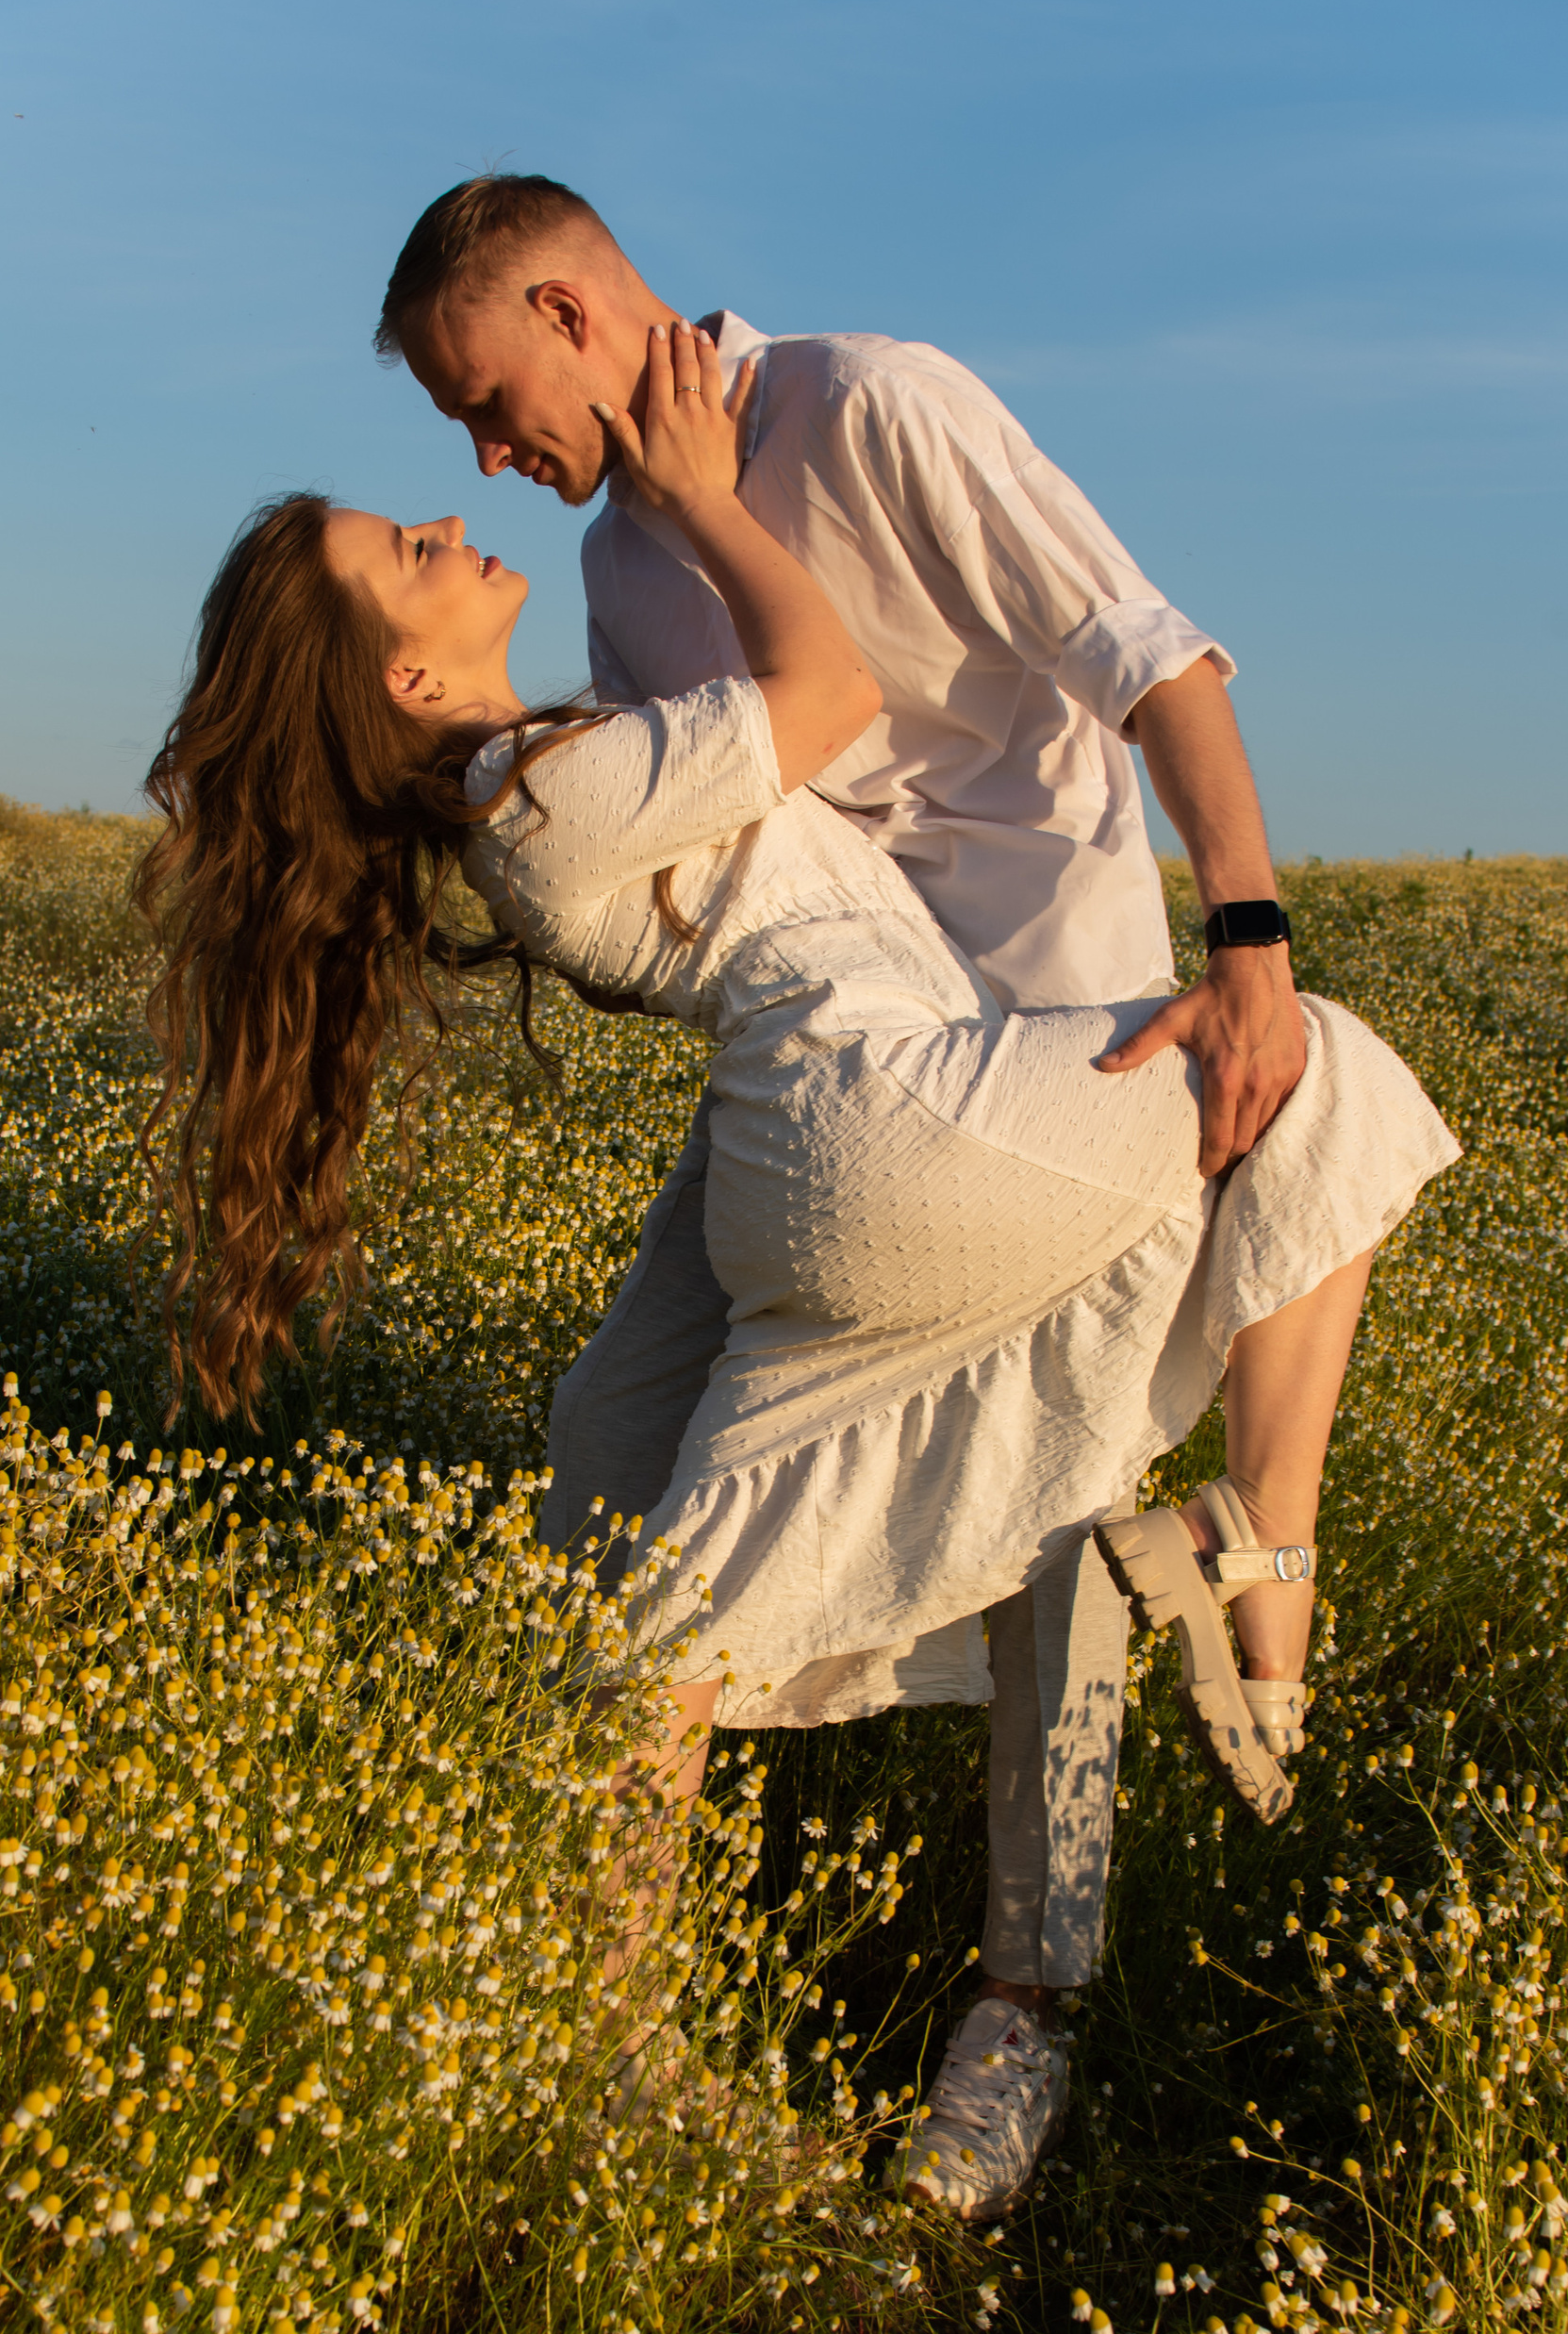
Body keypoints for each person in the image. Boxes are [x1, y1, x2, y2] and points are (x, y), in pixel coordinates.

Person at [138, 323, 1460, 2218]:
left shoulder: (556, 757)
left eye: (451, 454)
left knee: (653, 1616)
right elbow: (823, 681)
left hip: (813, 1169)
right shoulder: (548, 789)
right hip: (881, 1127)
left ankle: (607, 2050)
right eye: (403, 544)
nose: (455, 503)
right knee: (1310, 1061)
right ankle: (1262, 1534)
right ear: (409, 672)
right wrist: (689, 495)